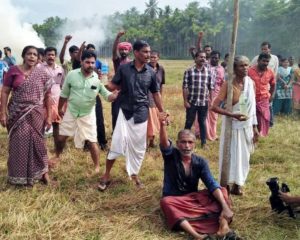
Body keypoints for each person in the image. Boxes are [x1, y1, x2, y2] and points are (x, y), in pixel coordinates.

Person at [98, 40, 165, 190]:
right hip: (125, 112)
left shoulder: (151, 72)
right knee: (117, 143)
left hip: (141, 113)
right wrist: (101, 84)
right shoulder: (124, 69)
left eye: (149, 52)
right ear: (135, 52)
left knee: (139, 148)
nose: (148, 55)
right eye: (145, 52)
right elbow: (113, 85)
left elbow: (155, 93)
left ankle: (134, 174)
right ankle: (106, 175)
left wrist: (161, 112)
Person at [159, 115, 233, 240]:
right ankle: (197, 236)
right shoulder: (171, 156)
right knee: (166, 202)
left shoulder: (200, 162)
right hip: (177, 200)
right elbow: (165, 144)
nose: (187, 146)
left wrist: (225, 207)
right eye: (183, 142)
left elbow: (211, 184)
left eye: (190, 142)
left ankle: (224, 228)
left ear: (194, 145)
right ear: (177, 144)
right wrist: (162, 126)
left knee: (223, 191)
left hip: (193, 198)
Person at [50, 50, 118, 173]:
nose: (90, 65)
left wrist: (113, 96)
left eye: (93, 62)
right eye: (87, 62)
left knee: (92, 141)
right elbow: (64, 94)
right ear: (81, 62)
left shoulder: (96, 78)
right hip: (72, 111)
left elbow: (105, 94)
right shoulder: (71, 75)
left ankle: (97, 166)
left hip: (88, 113)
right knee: (61, 138)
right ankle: (57, 156)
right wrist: (59, 109)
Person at [0, 45, 53, 186]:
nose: (32, 57)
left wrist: (48, 117)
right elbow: (5, 92)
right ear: (23, 56)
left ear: (38, 58)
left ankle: (43, 174)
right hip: (17, 113)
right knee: (18, 143)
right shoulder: (13, 71)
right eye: (29, 54)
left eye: (35, 55)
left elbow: (48, 96)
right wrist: (2, 112)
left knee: (39, 143)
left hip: (36, 113)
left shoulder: (42, 73)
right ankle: (18, 177)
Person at [211, 55, 259, 195]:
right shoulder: (228, 85)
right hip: (231, 126)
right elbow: (213, 107)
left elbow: (253, 107)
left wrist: (255, 127)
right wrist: (232, 115)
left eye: (247, 65)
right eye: (241, 66)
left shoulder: (251, 83)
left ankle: (238, 185)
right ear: (234, 68)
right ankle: (225, 184)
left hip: (247, 126)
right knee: (229, 155)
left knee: (244, 157)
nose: (245, 68)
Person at [183, 50, 213, 149]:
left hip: (203, 102)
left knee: (202, 122)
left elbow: (210, 87)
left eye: (204, 57)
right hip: (192, 102)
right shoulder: (189, 71)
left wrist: (211, 101)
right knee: (189, 122)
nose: (203, 59)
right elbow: (185, 87)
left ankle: (204, 143)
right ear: (195, 59)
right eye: (200, 57)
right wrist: (185, 101)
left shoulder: (209, 72)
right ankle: (184, 141)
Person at [40, 47, 65, 148]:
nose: (51, 57)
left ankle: (57, 147)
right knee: (41, 124)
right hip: (42, 100)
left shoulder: (59, 69)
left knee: (56, 124)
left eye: (53, 55)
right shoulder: (39, 68)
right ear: (45, 56)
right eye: (49, 55)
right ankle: (41, 148)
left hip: (56, 100)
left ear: (55, 56)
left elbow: (61, 85)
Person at [251, 41, 279, 128]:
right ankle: (256, 123)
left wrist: (274, 85)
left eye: (266, 49)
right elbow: (251, 70)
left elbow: (275, 72)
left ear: (269, 49)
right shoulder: (256, 58)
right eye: (262, 49)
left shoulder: (275, 58)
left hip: (269, 83)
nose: (264, 51)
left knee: (269, 103)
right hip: (258, 84)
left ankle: (270, 122)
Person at [85, 43, 107, 150]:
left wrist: (100, 76)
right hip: (84, 96)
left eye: (93, 51)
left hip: (95, 93)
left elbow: (101, 78)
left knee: (99, 119)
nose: (91, 52)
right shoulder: (83, 64)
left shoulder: (99, 63)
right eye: (89, 51)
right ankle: (87, 143)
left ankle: (102, 142)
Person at [248, 53, 275, 137]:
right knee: (252, 118)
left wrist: (271, 95)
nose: (265, 63)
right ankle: (251, 135)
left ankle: (259, 135)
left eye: (267, 61)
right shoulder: (250, 71)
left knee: (264, 118)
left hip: (264, 99)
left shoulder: (270, 72)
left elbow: (273, 84)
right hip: (251, 99)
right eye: (264, 61)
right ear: (258, 60)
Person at [111, 31, 132, 130]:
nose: (123, 51)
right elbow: (114, 51)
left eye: (125, 49)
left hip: (128, 91)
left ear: (129, 51)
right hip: (117, 90)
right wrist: (117, 37)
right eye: (122, 49)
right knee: (115, 113)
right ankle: (115, 133)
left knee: (128, 114)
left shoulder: (132, 63)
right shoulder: (117, 61)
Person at [147, 50, 165, 148]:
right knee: (148, 122)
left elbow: (161, 84)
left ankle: (151, 142)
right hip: (147, 98)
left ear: (158, 58)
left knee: (155, 121)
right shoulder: (146, 69)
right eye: (151, 57)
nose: (153, 59)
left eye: (155, 57)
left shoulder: (161, 69)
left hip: (156, 100)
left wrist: (160, 97)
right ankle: (145, 143)